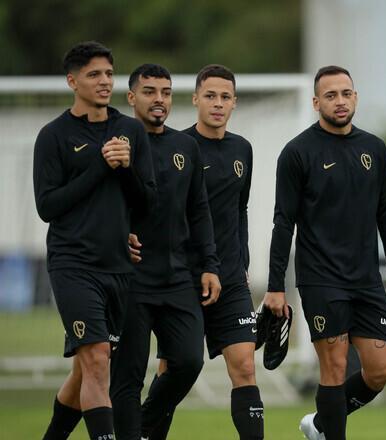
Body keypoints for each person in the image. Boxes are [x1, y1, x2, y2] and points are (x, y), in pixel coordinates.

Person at [264, 65, 386, 440]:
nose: (340, 101)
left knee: (381, 370)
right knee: (334, 366)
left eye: (346, 93)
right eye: (331, 95)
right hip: (320, 278)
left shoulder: (374, 149)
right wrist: (276, 285)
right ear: (316, 102)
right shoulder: (297, 153)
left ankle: (320, 423)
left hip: (365, 279)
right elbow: (284, 223)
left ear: (356, 97)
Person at [34, 41, 156, 440]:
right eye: (93, 75)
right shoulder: (53, 136)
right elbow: (48, 206)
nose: (105, 81)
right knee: (98, 361)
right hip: (73, 266)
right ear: (73, 81)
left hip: (119, 265)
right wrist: (101, 166)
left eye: (108, 73)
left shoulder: (130, 130)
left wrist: (124, 170)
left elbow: (146, 202)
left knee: (85, 368)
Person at [150, 64, 264, 440]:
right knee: (173, 367)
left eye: (225, 97)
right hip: (183, 277)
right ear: (195, 98)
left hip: (230, 278)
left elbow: (240, 209)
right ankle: (146, 432)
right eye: (210, 96)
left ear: (234, 103)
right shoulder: (176, 146)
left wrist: (242, 260)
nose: (218, 104)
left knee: (245, 366)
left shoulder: (242, 149)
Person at [108, 63, 221, 439]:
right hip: (130, 278)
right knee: (128, 374)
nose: (159, 100)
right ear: (131, 97)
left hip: (177, 277)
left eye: (166, 92)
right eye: (150, 91)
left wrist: (209, 265)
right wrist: (115, 235)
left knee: (189, 361)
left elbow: (199, 210)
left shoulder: (185, 146)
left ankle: (139, 427)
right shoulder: (113, 141)